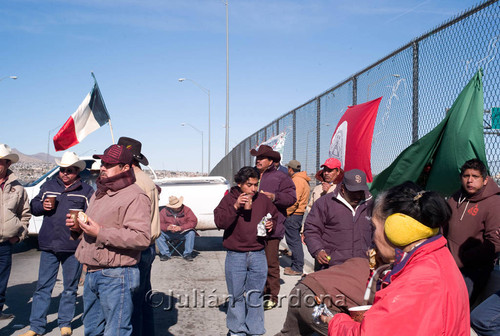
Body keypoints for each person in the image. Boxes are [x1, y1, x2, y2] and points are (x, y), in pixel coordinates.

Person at [325, 181, 470, 335]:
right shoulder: (437, 257)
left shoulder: (418, 281)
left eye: (374, 227)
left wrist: (335, 322)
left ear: (395, 229)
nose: (373, 238)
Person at [68, 144, 151, 336]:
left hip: (117, 275)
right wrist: (77, 229)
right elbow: (92, 229)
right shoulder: (101, 192)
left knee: (117, 331)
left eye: (109, 164)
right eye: (103, 162)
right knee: (92, 330)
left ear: (125, 168)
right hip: (92, 272)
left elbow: (141, 237)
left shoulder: (135, 196)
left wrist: (100, 232)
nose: (103, 167)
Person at [22, 152, 93, 336]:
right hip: (49, 245)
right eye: (62, 170)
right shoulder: (48, 185)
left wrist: (83, 223)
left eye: (69, 170)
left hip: (73, 247)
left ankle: (65, 323)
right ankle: (35, 327)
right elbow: (34, 206)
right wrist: (41, 206)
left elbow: (92, 217)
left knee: (70, 288)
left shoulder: (86, 191)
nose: (65, 173)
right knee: (43, 288)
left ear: (77, 171)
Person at [214, 166, 278, 336]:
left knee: (255, 295)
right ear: (240, 184)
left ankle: (255, 330)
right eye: (249, 185)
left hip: (258, 254)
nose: (253, 189)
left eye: (256, 185)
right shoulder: (228, 200)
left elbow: (274, 217)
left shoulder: (263, 200)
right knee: (236, 295)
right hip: (236, 255)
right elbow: (220, 222)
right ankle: (237, 330)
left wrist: (271, 225)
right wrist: (235, 207)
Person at [118, 136, 161, 336]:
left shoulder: (133, 182)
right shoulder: (145, 180)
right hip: (147, 246)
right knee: (142, 299)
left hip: (136, 247)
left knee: (131, 303)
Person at [444, 158, 500, 305]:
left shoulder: (494, 203)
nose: (470, 180)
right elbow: (443, 230)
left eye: (475, 177)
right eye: (466, 176)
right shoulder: (454, 198)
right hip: (448, 264)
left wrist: (461, 260)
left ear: (485, 180)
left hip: (475, 269)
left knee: (456, 304)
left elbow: (495, 242)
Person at [275, 257, 372, 336]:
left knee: (289, 334)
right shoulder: (380, 282)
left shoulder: (361, 261)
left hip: (301, 288)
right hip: (319, 303)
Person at [250, 145, 296, 310]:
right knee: (253, 263)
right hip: (250, 228)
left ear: (271, 161)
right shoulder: (251, 175)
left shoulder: (281, 177)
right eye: (257, 158)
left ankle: (271, 297)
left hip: (272, 228)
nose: (258, 161)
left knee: (270, 263)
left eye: (262, 158)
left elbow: (292, 197)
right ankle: (255, 293)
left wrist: (275, 197)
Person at [304, 169, 372, 271]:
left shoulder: (372, 204)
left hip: (363, 267)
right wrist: (318, 250)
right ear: (343, 189)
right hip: (332, 266)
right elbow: (311, 229)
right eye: (353, 192)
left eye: (360, 191)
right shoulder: (324, 203)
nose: (357, 196)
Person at [0, 144, 30, 320]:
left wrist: (20, 235)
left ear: (7, 164)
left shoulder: (18, 188)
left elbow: (25, 213)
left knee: (2, 281)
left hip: (5, 245)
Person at [283, 160, 310, 276]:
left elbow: (294, 200)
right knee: (295, 241)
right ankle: (297, 265)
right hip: (297, 214)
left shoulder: (297, 181)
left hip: (293, 215)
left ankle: (297, 267)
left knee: (294, 241)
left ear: (290, 169)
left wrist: (287, 213)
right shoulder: (302, 179)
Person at [156, 195, 198, 261]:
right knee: (158, 234)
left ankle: (187, 253)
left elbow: (193, 222)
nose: (178, 207)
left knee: (191, 233)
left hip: (182, 232)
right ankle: (165, 253)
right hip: (169, 233)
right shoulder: (163, 211)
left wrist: (181, 227)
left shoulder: (187, 210)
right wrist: (167, 228)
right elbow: (158, 223)